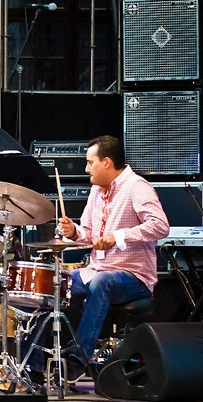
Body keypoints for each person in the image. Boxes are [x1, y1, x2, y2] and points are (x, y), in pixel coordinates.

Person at [30, 135, 169, 381]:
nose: (86, 169)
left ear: (106, 162)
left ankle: (78, 359)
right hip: (96, 270)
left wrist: (118, 236)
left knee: (101, 281)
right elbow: (89, 234)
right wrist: (73, 232)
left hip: (134, 277)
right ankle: (34, 368)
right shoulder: (96, 190)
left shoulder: (137, 187)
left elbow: (160, 226)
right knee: (49, 283)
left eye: (90, 162)